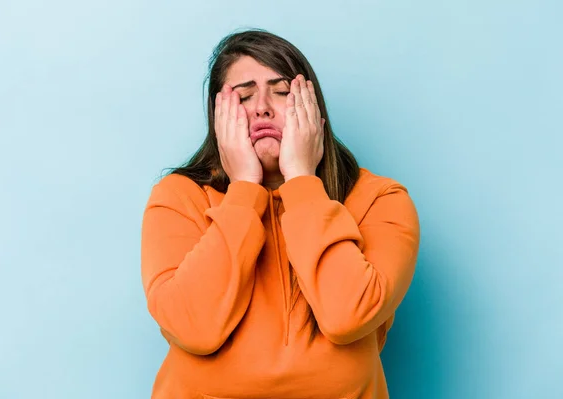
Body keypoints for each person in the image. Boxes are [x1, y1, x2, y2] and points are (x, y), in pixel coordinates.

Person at [140, 28, 420, 399]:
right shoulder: (177, 197)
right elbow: (193, 328)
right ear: (217, 120)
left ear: (314, 111)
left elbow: (347, 316)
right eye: (243, 96)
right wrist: (244, 191)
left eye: (283, 92)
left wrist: (302, 181)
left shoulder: (380, 199)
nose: (262, 107)